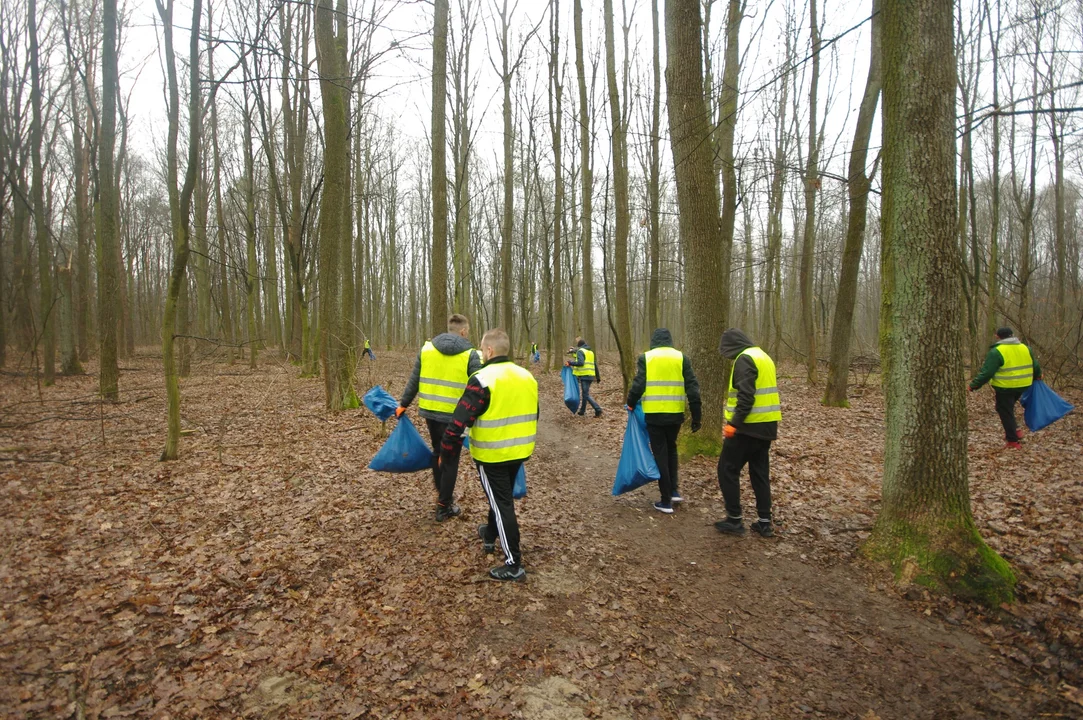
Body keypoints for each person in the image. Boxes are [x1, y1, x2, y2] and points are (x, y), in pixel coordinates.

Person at [441, 328, 539, 582]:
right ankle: (489, 532)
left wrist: (446, 451)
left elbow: (460, 419)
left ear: (489, 350)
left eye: (483, 349)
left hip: (492, 453)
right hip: (520, 450)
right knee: (500, 497)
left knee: (501, 502)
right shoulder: (527, 376)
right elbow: (534, 412)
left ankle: (513, 562)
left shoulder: (482, 378)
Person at [396, 314, 481, 521]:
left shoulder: (427, 349)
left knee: (438, 452)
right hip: (456, 417)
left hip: (430, 412)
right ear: (462, 332)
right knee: (450, 459)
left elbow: (414, 379)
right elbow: (480, 385)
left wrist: (403, 404)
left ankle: (443, 495)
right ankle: (444, 505)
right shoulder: (470, 354)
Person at [625, 328, 702, 514]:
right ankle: (674, 490)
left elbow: (639, 384)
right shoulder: (681, 357)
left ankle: (665, 500)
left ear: (654, 341)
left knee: (660, 454)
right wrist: (696, 414)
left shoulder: (647, 357)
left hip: (654, 415)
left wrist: (630, 402)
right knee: (672, 450)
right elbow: (692, 387)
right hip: (675, 414)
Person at [714, 329, 780, 538]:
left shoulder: (745, 359)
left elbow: (746, 396)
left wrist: (734, 424)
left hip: (746, 428)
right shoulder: (764, 357)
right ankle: (764, 522)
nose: (729, 357)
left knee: (727, 470)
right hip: (767, 427)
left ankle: (734, 519)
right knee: (760, 474)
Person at [969, 327, 1041, 449]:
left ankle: (1013, 440)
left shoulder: (997, 351)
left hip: (1006, 386)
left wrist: (974, 385)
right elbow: (1035, 365)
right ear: (1012, 335)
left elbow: (987, 372)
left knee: (1004, 411)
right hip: (1023, 385)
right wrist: (1038, 375)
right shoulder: (1025, 348)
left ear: (997, 336)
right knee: (1007, 408)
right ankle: (1016, 430)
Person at [565, 336, 602, 417]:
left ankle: (598, 409)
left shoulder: (580, 351)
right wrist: (598, 376)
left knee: (586, 395)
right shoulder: (590, 352)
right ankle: (582, 411)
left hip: (584, 375)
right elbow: (594, 364)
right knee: (585, 394)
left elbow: (581, 363)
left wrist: (570, 363)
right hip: (591, 375)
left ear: (579, 346)